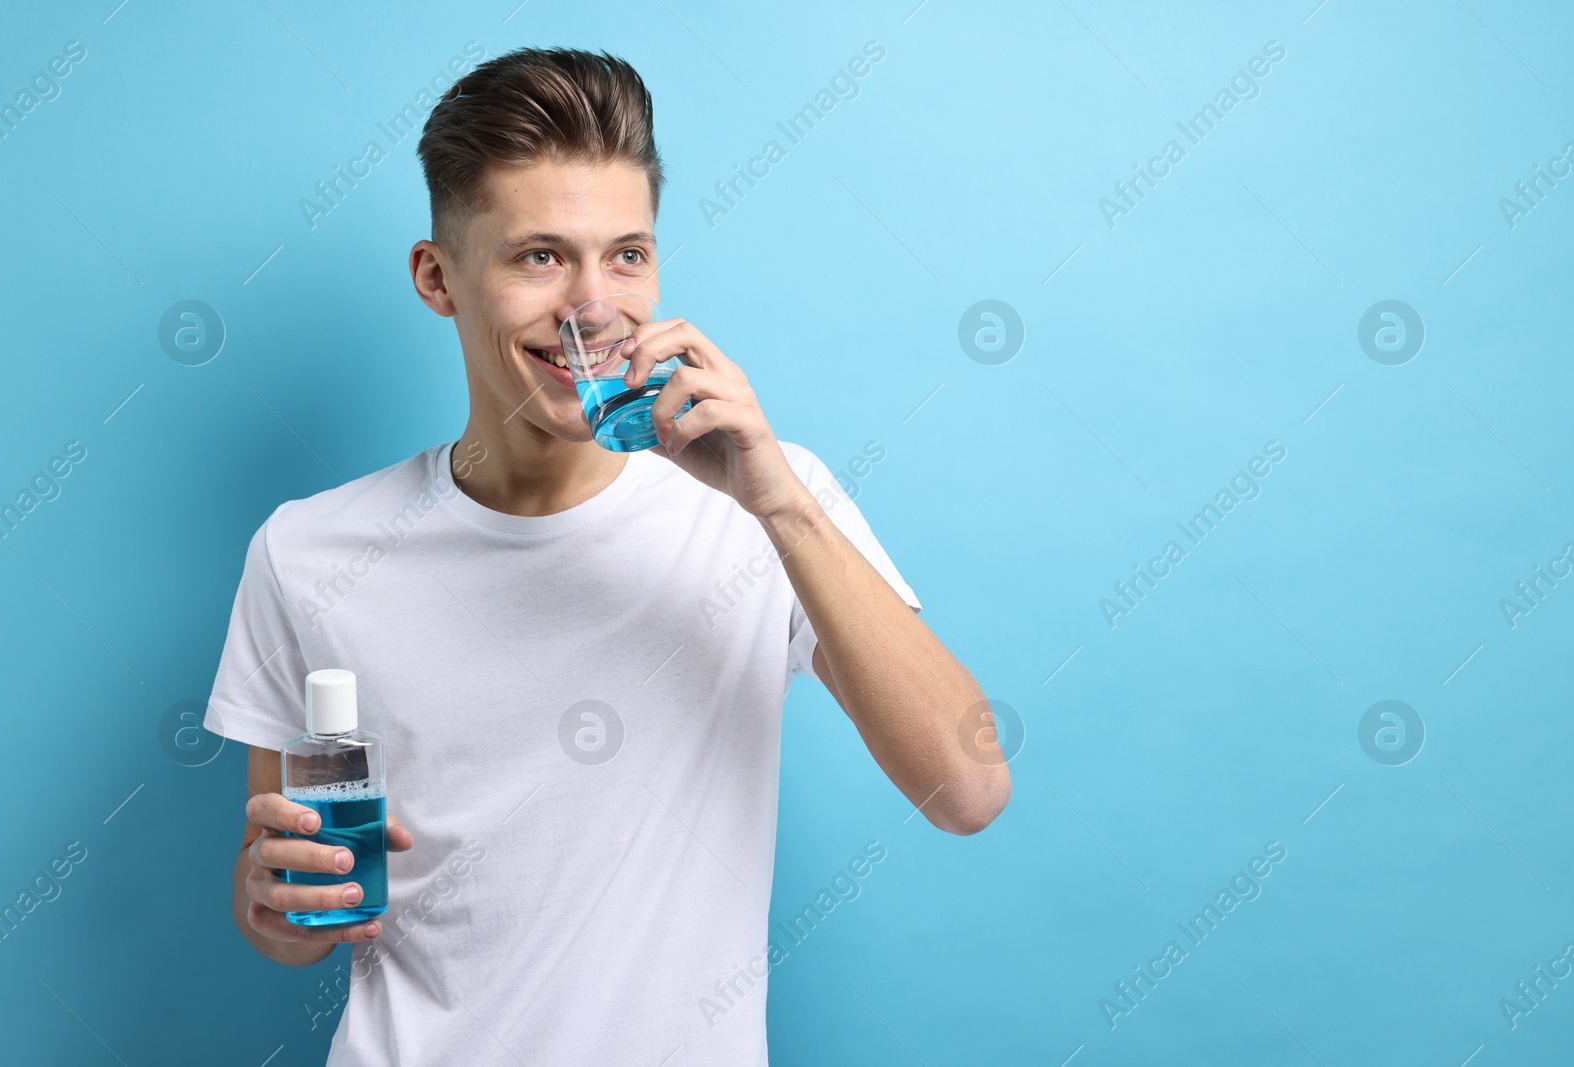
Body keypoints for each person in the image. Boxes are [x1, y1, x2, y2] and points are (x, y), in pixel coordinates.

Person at [206, 45, 1010, 1066]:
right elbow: (284, 911)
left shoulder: (767, 503)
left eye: (627, 254)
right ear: (437, 276)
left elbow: (968, 788)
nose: (593, 304)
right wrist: (274, 903)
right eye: (539, 256)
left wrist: (779, 505)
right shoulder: (310, 552)